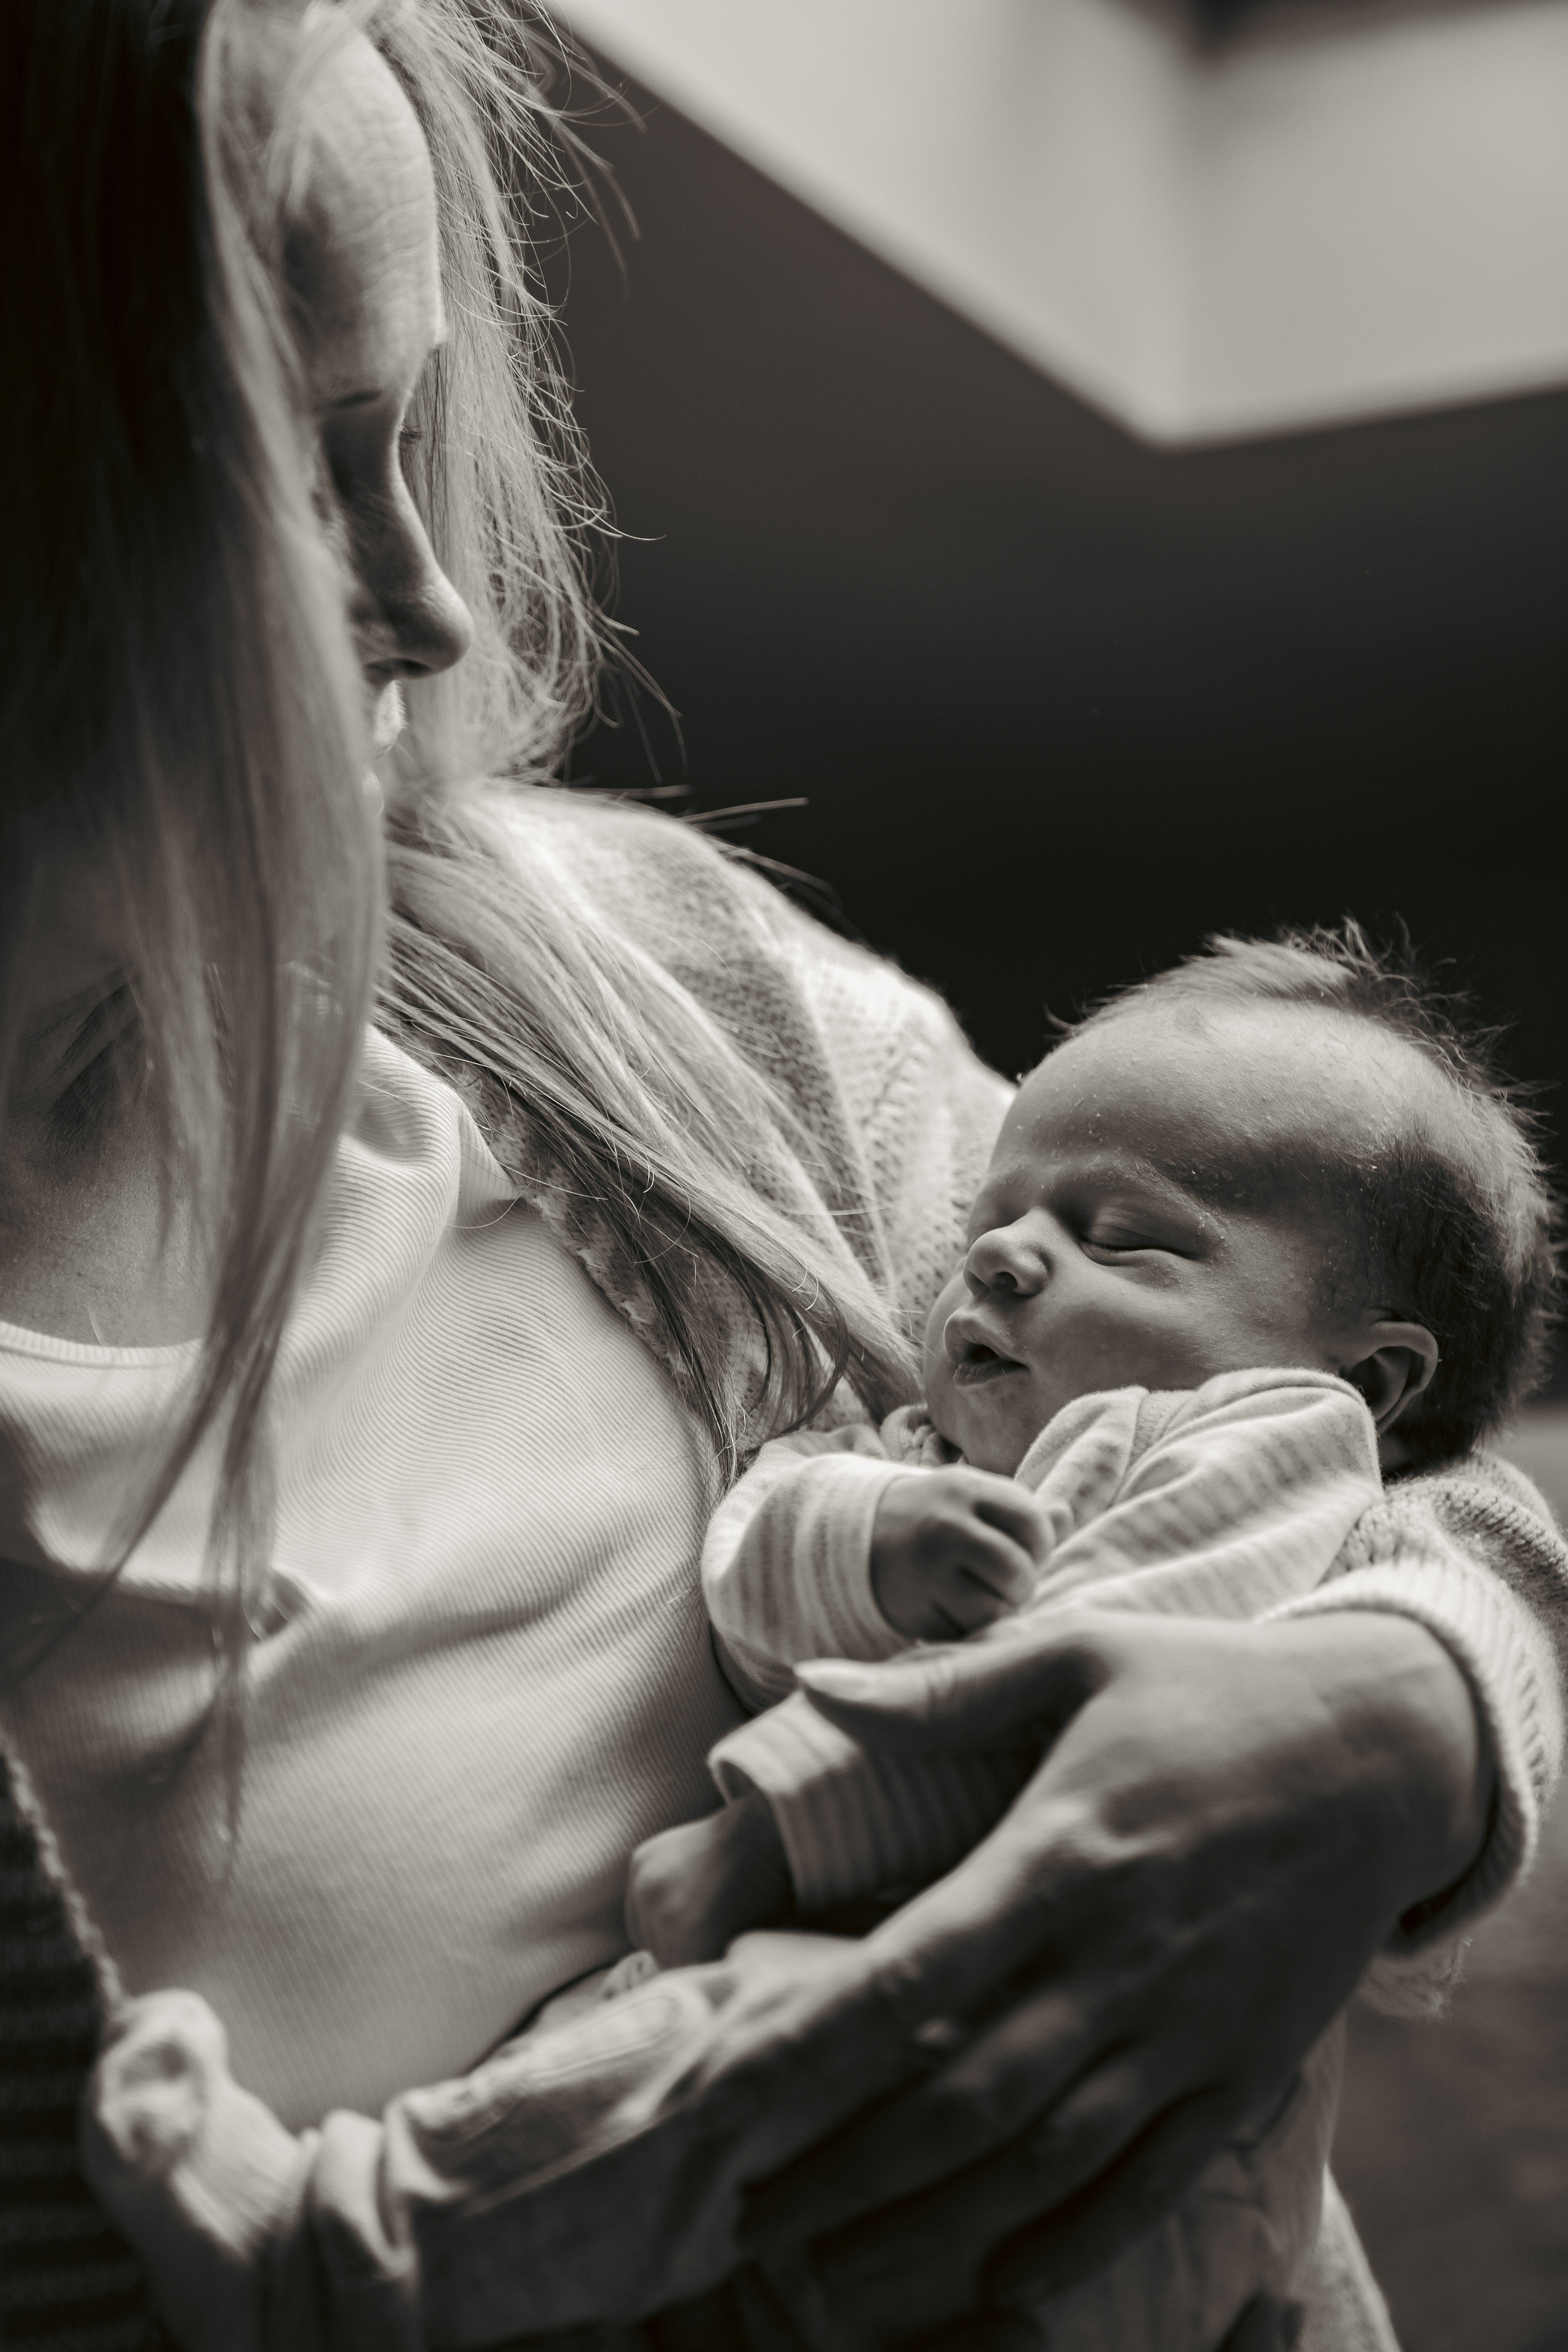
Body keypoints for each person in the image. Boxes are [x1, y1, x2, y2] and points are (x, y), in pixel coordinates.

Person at [1, 2, 1564, 2348]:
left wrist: (1410, 1717)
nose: (427, 607)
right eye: (299, 472)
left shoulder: (651, 993)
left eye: (413, 432)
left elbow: (1415, 1464)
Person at [618, 929, 1552, 2350]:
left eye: (1120, 1239)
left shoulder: (1274, 1449)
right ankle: (337, 2241)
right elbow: (757, 1556)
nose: (994, 1252)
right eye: (984, 1220)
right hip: (797, 2035)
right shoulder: (902, 1457)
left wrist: (1430, 1688)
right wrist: (867, 1541)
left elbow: (1401, 1536)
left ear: (1362, 1379)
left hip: (1145, 2133)